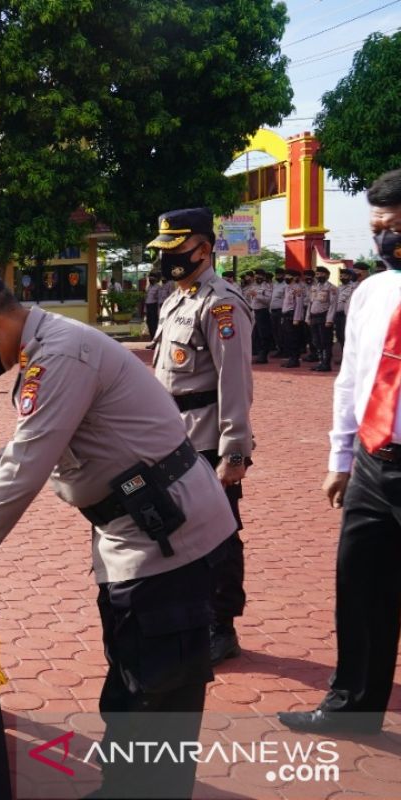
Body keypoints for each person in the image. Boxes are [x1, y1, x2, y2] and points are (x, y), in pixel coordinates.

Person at [0, 264, 237, 799]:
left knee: (156, 688)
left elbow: (31, 460)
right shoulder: (48, 348)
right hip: (140, 530)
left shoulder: (59, 354)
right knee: (135, 677)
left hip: (166, 537)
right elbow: (35, 444)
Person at [279, 169, 401, 737]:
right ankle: (352, 707)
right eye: (379, 228)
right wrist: (341, 459)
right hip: (377, 464)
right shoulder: (374, 291)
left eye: (396, 227)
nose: (386, 239)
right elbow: (351, 379)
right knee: (360, 586)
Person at [151, 208, 254, 666]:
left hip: (209, 441)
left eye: (177, 250)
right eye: (164, 251)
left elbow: (235, 385)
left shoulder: (221, 303)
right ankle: (187, 616)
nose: (169, 259)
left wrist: (234, 452)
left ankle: (221, 625)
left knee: (219, 537)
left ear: (203, 249)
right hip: (172, 437)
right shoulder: (177, 298)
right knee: (174, 531)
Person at [306, 266, 338, 372]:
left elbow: (333, 305)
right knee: (316, 341)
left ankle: (326, 363)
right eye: (317, 274)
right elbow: (310, 303)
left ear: (327, 275)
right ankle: (320, 362)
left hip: (324, 317)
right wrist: (308, 317)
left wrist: (329, 320)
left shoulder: (331, 288)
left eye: (321, 274)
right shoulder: (314, 287)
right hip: (314, 317)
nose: (318, 276)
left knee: (325, 341)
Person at [281, 269, 304, 368]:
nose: (286, 278)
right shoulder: (287, 288)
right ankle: (291, 358)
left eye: (289, 276)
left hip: (292, 315)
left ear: (295, 277)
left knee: (294, 338)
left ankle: (295, 359)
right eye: (286, 276)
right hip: (286, 315)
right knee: (288, 338)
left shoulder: (297, 288)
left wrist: (297, 318)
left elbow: (299, 304)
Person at [249, 270, 272, 364]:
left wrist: (257, 295)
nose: (257, 277)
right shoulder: (254, 286)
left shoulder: (267, 287)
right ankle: (258, 354)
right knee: (256, 335)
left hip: (263, 312)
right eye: (256, 275)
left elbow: (268, 300)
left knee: (263, 335)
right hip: (254, 312)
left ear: (263, 277)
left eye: (259, 276)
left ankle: (263, 356)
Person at [269, 267, 287, 356]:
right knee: (275, 331)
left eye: (280, 275)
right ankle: (279, 348)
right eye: (277, 275)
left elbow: (286, 300)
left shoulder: (285, 285)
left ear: (283, 275)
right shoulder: (275, 285)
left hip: (281, 311)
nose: (278, 276)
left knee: (281, 331)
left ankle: (284, 349)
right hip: (273, 311)